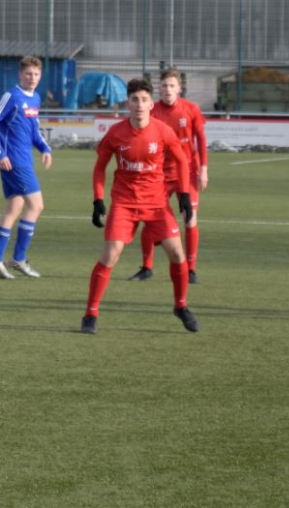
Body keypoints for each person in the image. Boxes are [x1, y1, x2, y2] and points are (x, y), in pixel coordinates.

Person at [81, 78, 199, 335]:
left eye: (144, 99)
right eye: (135, 99)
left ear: (151, 103)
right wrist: (98, 199)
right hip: (124, 202)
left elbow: (182, 160)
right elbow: (100, 167)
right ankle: (91, 312)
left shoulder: (162, 131)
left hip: (156, 203)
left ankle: (181, 306)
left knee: (177, 253)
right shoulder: (116, 133)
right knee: (110, 255)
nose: (140, 104)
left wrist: (184, 195)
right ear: (128, 103)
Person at [129, 68, 209, 284]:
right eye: (164, 85)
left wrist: (203, 169)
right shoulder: (152, 110)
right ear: (159, 88)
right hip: (159, 175)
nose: (167, 89)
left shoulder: (191, 109)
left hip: (187, 172)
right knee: (150, 219)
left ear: (179, 88)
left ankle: (191, 269)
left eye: (172, 85)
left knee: (189, 218)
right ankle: (146, 267)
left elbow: (201, 139)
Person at [0, 55, 53, 279]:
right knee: (37, 206)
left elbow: (33, 129)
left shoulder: (35, 98)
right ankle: (18, 258)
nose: (32, 78)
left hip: (25, 159)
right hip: (14, 161)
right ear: (20, 74)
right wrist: (0, 154)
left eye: (36, 74)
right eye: (28, 74)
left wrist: (44, 148)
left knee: (14, 207)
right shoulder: (12, 96)